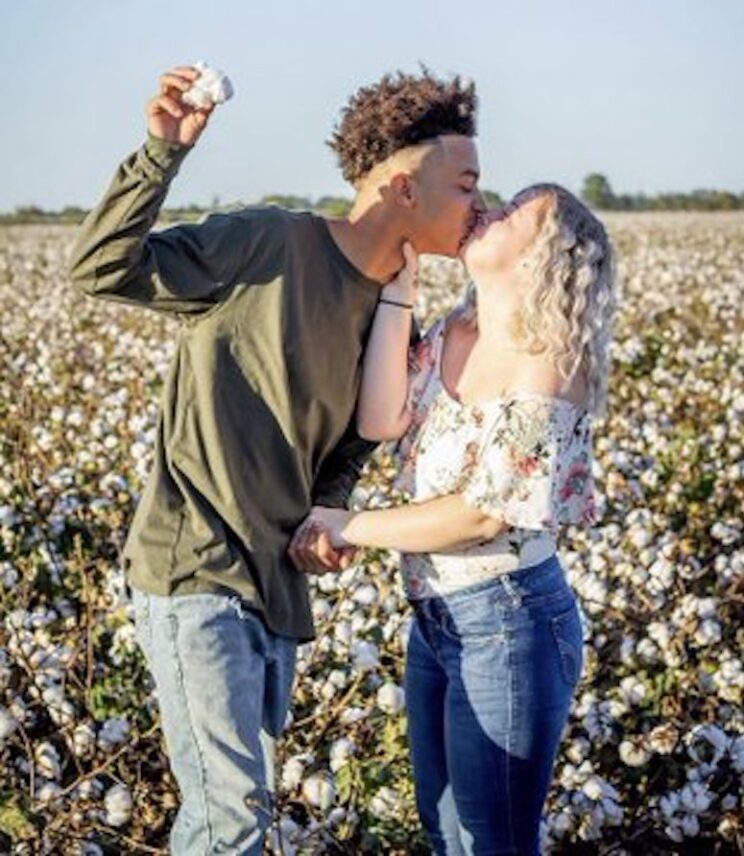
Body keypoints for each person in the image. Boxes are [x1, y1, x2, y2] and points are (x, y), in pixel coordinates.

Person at [69, 64, 486, 854]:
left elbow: (348, 450)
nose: (480, 204)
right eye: (465, 185)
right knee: (229, 818)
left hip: (277, 588)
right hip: (196, 569)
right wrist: (162, 153)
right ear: (403, 187)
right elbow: (100, 268)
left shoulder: (393, 306)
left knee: (240, 814)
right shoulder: (266, 242)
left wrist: (328, 520)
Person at [302, 184, 616, 854]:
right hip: (436, 615)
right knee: (444, 829)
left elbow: (482, 515)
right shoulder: (454, 331)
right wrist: (400, 294)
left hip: (511, 619)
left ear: (545, 256)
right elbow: (381, 419)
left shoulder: (551, 362)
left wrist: (347, 525)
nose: (489, 210)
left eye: (513, 213)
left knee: (492, 840)